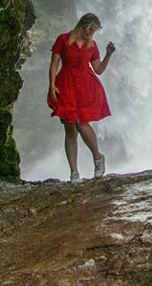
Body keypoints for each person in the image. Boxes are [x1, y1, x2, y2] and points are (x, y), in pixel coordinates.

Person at [47, 13, 115, 183]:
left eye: (94, 31)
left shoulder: (92, 45)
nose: (91, 33)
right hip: (66, 85)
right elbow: (54, 63)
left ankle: (98, 158)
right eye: (90, 29)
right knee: (70, 128)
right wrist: (52, 85)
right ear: (82, 25)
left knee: (82, 123)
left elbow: (98, 69)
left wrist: (108, 55)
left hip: (85, 86)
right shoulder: (63, 39)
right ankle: (74, 172)